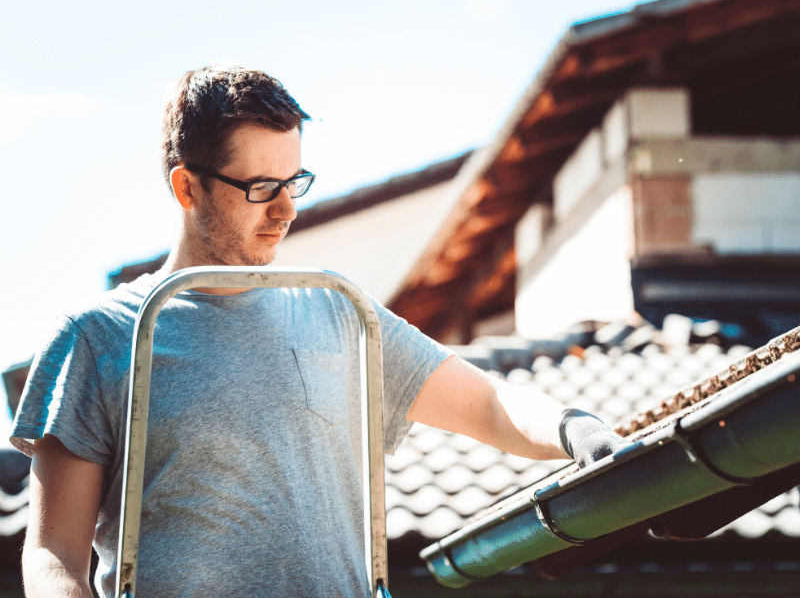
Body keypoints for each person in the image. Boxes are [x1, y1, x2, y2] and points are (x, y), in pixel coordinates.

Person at [10, 63, 627, 598]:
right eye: (259, 188)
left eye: (294, 183)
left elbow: (488, 403)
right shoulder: (102, 337)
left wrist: (577, 429)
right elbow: (52, 555)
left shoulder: (340, 313)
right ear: (186, 186)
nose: (286, 210)